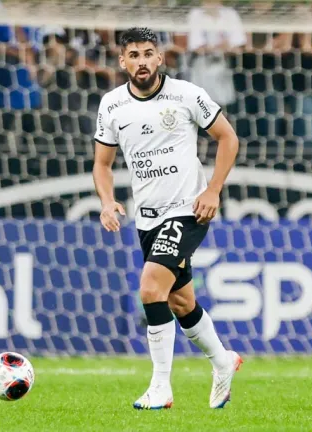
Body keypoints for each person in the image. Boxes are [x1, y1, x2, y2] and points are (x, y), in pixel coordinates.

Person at [92, 28, 241, 410]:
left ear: (160, 58)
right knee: (179, 301)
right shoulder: (111, 105)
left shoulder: (186, 95)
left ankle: (160, 387)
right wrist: (107, 202)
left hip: (189, 210)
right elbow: (102, 164)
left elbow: (228, 138)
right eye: (133, 55)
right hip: (146, 218)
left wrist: (213, 190)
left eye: (148, 53)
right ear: (122, 61)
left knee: (150, 289)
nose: (141, 61)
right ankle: (223, 360)